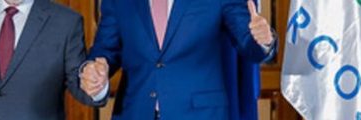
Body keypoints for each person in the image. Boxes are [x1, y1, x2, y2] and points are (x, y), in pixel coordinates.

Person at [81, 0, 276, 119]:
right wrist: (95, 71)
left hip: (200, 114)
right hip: (135, 112)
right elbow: (105, 50)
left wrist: (263, 40)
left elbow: (249, 44)